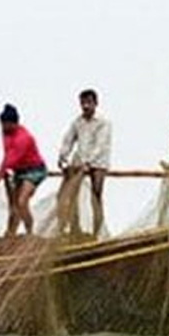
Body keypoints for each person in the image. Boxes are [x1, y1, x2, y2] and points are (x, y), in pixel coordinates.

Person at [56, 88, 112, 237]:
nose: (86, 106)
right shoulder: (78, 122)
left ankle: (97, 231)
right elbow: (68, 139)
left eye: (89, 103)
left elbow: (100, 146)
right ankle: (75, 227)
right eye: (83, 103)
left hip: (98, 163)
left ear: (95, 103)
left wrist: (88, 162)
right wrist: (63, 156)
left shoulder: (104, 122)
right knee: (71, 193)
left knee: (96, 193)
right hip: (80, 161)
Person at [0, 103, 48, 237]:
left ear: (14, 123)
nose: (3, 127)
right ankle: (11, 232)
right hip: (19, 171)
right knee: (14, 205)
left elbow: (10, 161)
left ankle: (30, 232)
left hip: (35, 170)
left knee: (22, 201)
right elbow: (7, 154)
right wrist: (3, 174)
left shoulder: (23, 138)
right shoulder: (5, 133)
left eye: (5, 124)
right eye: (1, 124)